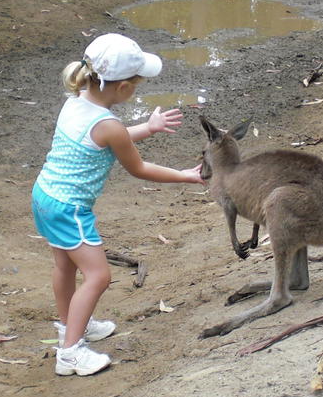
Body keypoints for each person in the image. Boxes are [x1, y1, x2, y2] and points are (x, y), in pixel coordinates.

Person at [32, 33, 205, 376]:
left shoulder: (76, 101)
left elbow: (109, 137)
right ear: (124, 88)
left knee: (64, 267)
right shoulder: (108, 125)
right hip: (70, 210)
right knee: (98, 275)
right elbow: (137, 167)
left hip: (45, 196)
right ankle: (70, 354)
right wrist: (184, 176)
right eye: (137, 85)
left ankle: (71, 326)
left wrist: (149, 128)